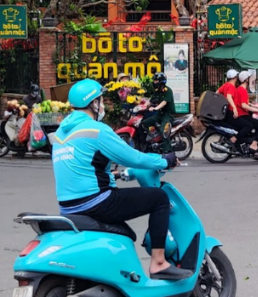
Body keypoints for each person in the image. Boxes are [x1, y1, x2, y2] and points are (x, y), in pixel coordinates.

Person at [52, 79, 186, 280]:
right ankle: (159, 263)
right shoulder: (96, 130)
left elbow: (82, 167)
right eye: (101, 100)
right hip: (95, 203)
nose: (103, 105)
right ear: (93, 103)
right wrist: (165, 160)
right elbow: (134, 158)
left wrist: (113, 174)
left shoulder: (60, 133)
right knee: (159, 198)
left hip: (68, 207)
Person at [218, 70, 258, 158]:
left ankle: (250, 145)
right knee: (252, 126)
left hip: (231, 112)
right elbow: (238, 102)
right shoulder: (234, 87)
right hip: (235, 113)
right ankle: (242, 142)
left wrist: (254, 106)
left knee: (252, 125)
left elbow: (217, 93)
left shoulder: (230, 86)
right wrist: (235, 108)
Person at [141, 73, 175, 151]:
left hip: (168, 115)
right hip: (160, 114)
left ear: (161, 81)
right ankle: (151, 142)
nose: (154, 82)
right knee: (144, 123)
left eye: (156, 81)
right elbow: (150, 101)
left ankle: (168, 151)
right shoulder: (157, 91)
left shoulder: (168, 91)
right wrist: (143, 106)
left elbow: (164, 102)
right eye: (154, 80)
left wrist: (155, 108)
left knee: (164, 131)